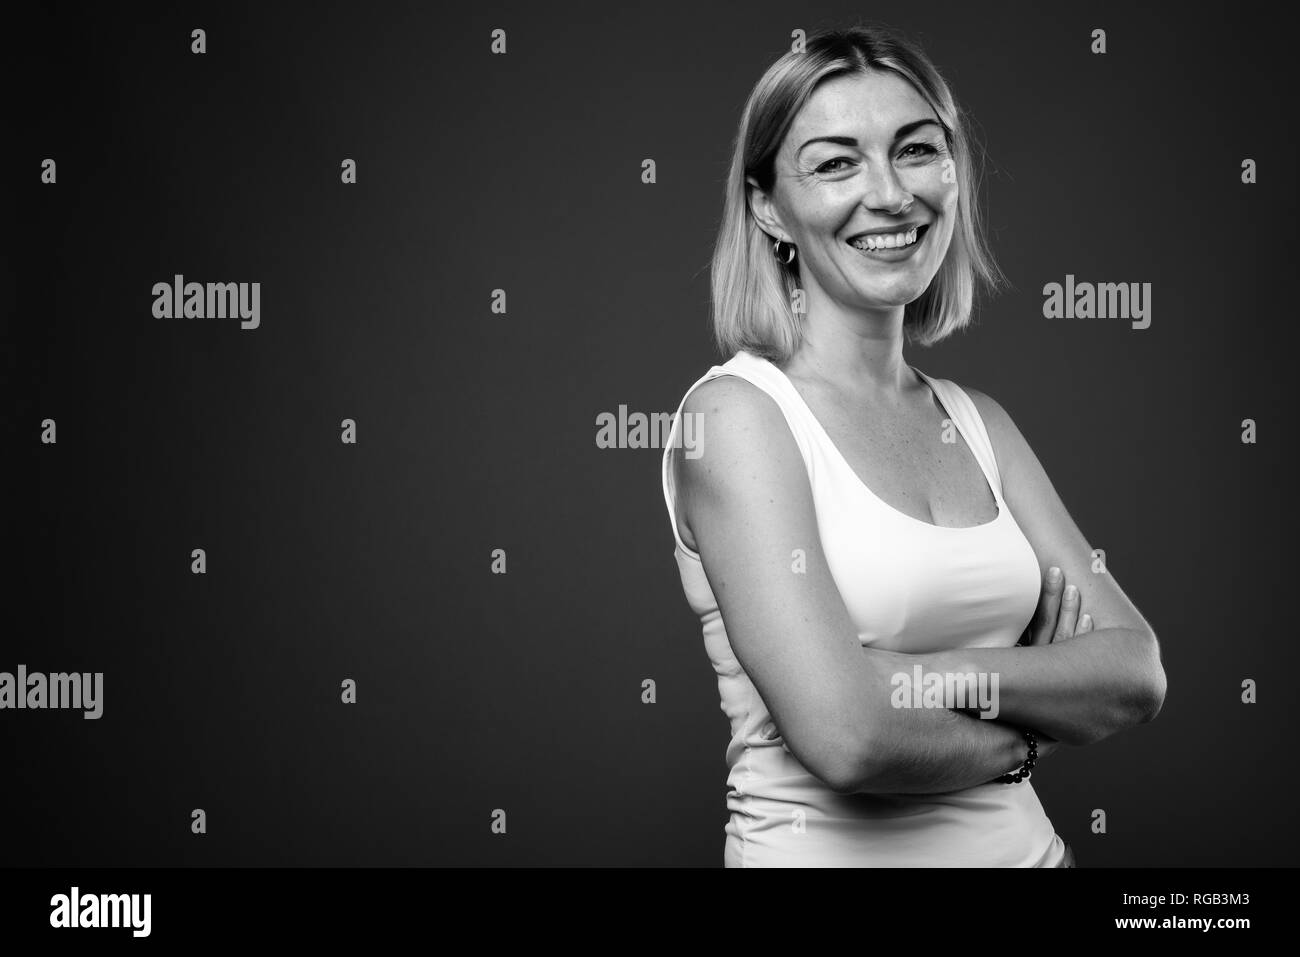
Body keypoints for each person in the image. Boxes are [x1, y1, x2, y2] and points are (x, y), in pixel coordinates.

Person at [660, 24, 1166, 867]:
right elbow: (847, 736)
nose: (891, 194)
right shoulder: (738, 418)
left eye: (916, 150)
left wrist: (914, 675)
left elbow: (1135, 670)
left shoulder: (978, 421)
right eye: (835, 162)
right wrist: (1031, 721)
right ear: (766, 205)